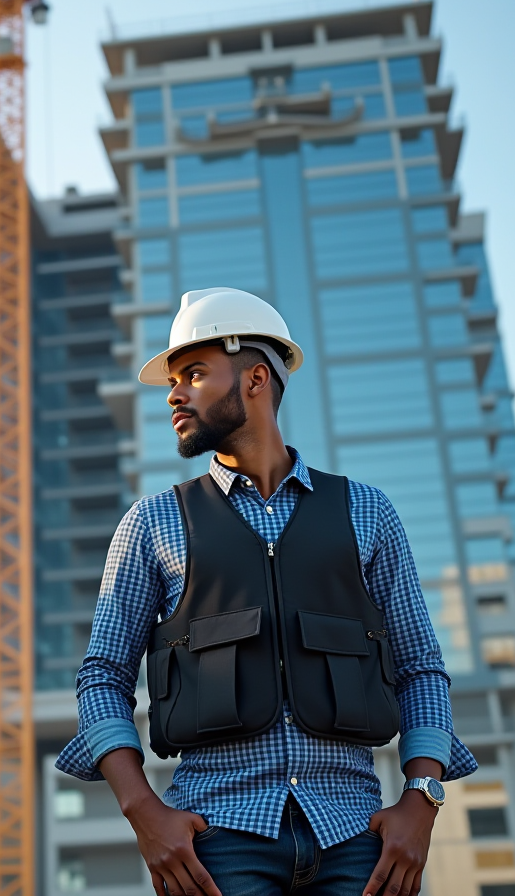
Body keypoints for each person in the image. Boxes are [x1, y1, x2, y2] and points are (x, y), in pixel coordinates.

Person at [56, 288, 476, 896]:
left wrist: (422, 800)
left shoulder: (368, 512)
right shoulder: (151, 523)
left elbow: (421, 668)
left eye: (193, 374)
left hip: (357, 839)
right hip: (215, 843)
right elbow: (101, 678)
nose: (174, 394)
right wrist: (145, 813)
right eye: (173, 380)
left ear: (256, 379)